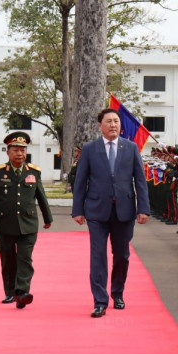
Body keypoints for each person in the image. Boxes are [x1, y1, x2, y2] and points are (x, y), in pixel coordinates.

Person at [72, 108, 151, 318]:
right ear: (101, 125)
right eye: (109, 122)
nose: (113, 125)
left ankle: (118, 293)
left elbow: (140, 181)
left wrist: (143, 208)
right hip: (97, 211)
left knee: (122, 256)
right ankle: (100, 300)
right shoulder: (90, 149)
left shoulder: (131, 148)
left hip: (124, 211)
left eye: (116, 121)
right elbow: (80, 181)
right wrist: (77, 210)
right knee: (98, 256)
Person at [0, 131, 53, 309]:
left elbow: (41, 196)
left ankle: (22, 292)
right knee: (8, 259)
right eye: (16, 150)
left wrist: (47, 217)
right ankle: (10, 292)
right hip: (4, 223)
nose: (20, 153)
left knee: (24, 258)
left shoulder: (33, 172)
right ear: (8, 152)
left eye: (23, 150)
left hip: (28, 224)